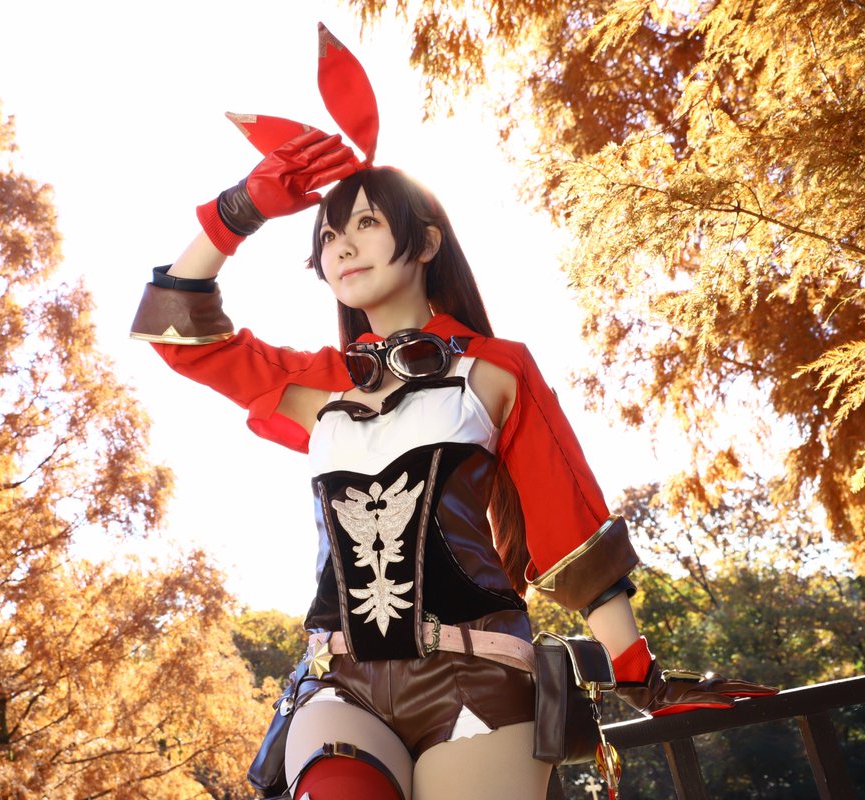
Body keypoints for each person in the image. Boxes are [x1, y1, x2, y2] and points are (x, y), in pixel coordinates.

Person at [130, 29, 774, 800]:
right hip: (341, 682)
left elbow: (568, 529)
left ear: (426, 241)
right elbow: (173, 329)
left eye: (367, 224)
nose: (343, 246)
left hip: (479, 677)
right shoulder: (315, 383)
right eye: (329, 235)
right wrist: (240, 210)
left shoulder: (496, 369)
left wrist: (638, 673)